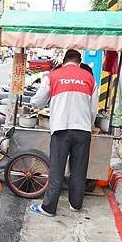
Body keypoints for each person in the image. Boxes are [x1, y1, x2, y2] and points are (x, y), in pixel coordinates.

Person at [29, 49, 99, 216]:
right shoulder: (90, 78)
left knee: (56, 169)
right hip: (82, 130)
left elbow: (37, 102)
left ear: (64, 59)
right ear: (79, 61)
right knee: (79, 169)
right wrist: (87, 125)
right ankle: (75, 205)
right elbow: (93, 110)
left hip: (60, 129)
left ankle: (49, 208)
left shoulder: (53, 76)